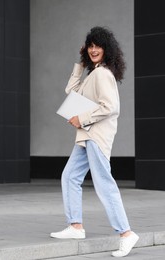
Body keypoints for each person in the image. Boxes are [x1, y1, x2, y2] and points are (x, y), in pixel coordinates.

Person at [50, 27, 139, 257]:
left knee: (103, 184)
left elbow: (111, 107)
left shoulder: (102, 74)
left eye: (98, 46)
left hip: (96, 136)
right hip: (86, 137)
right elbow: (71, 91)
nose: (93, 50)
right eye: (90, 46)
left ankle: (126, 233)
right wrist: (80, 64)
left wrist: (82, 117)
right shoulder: (93, 73)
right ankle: (75, 226)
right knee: (70, 176)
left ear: (106, 49)